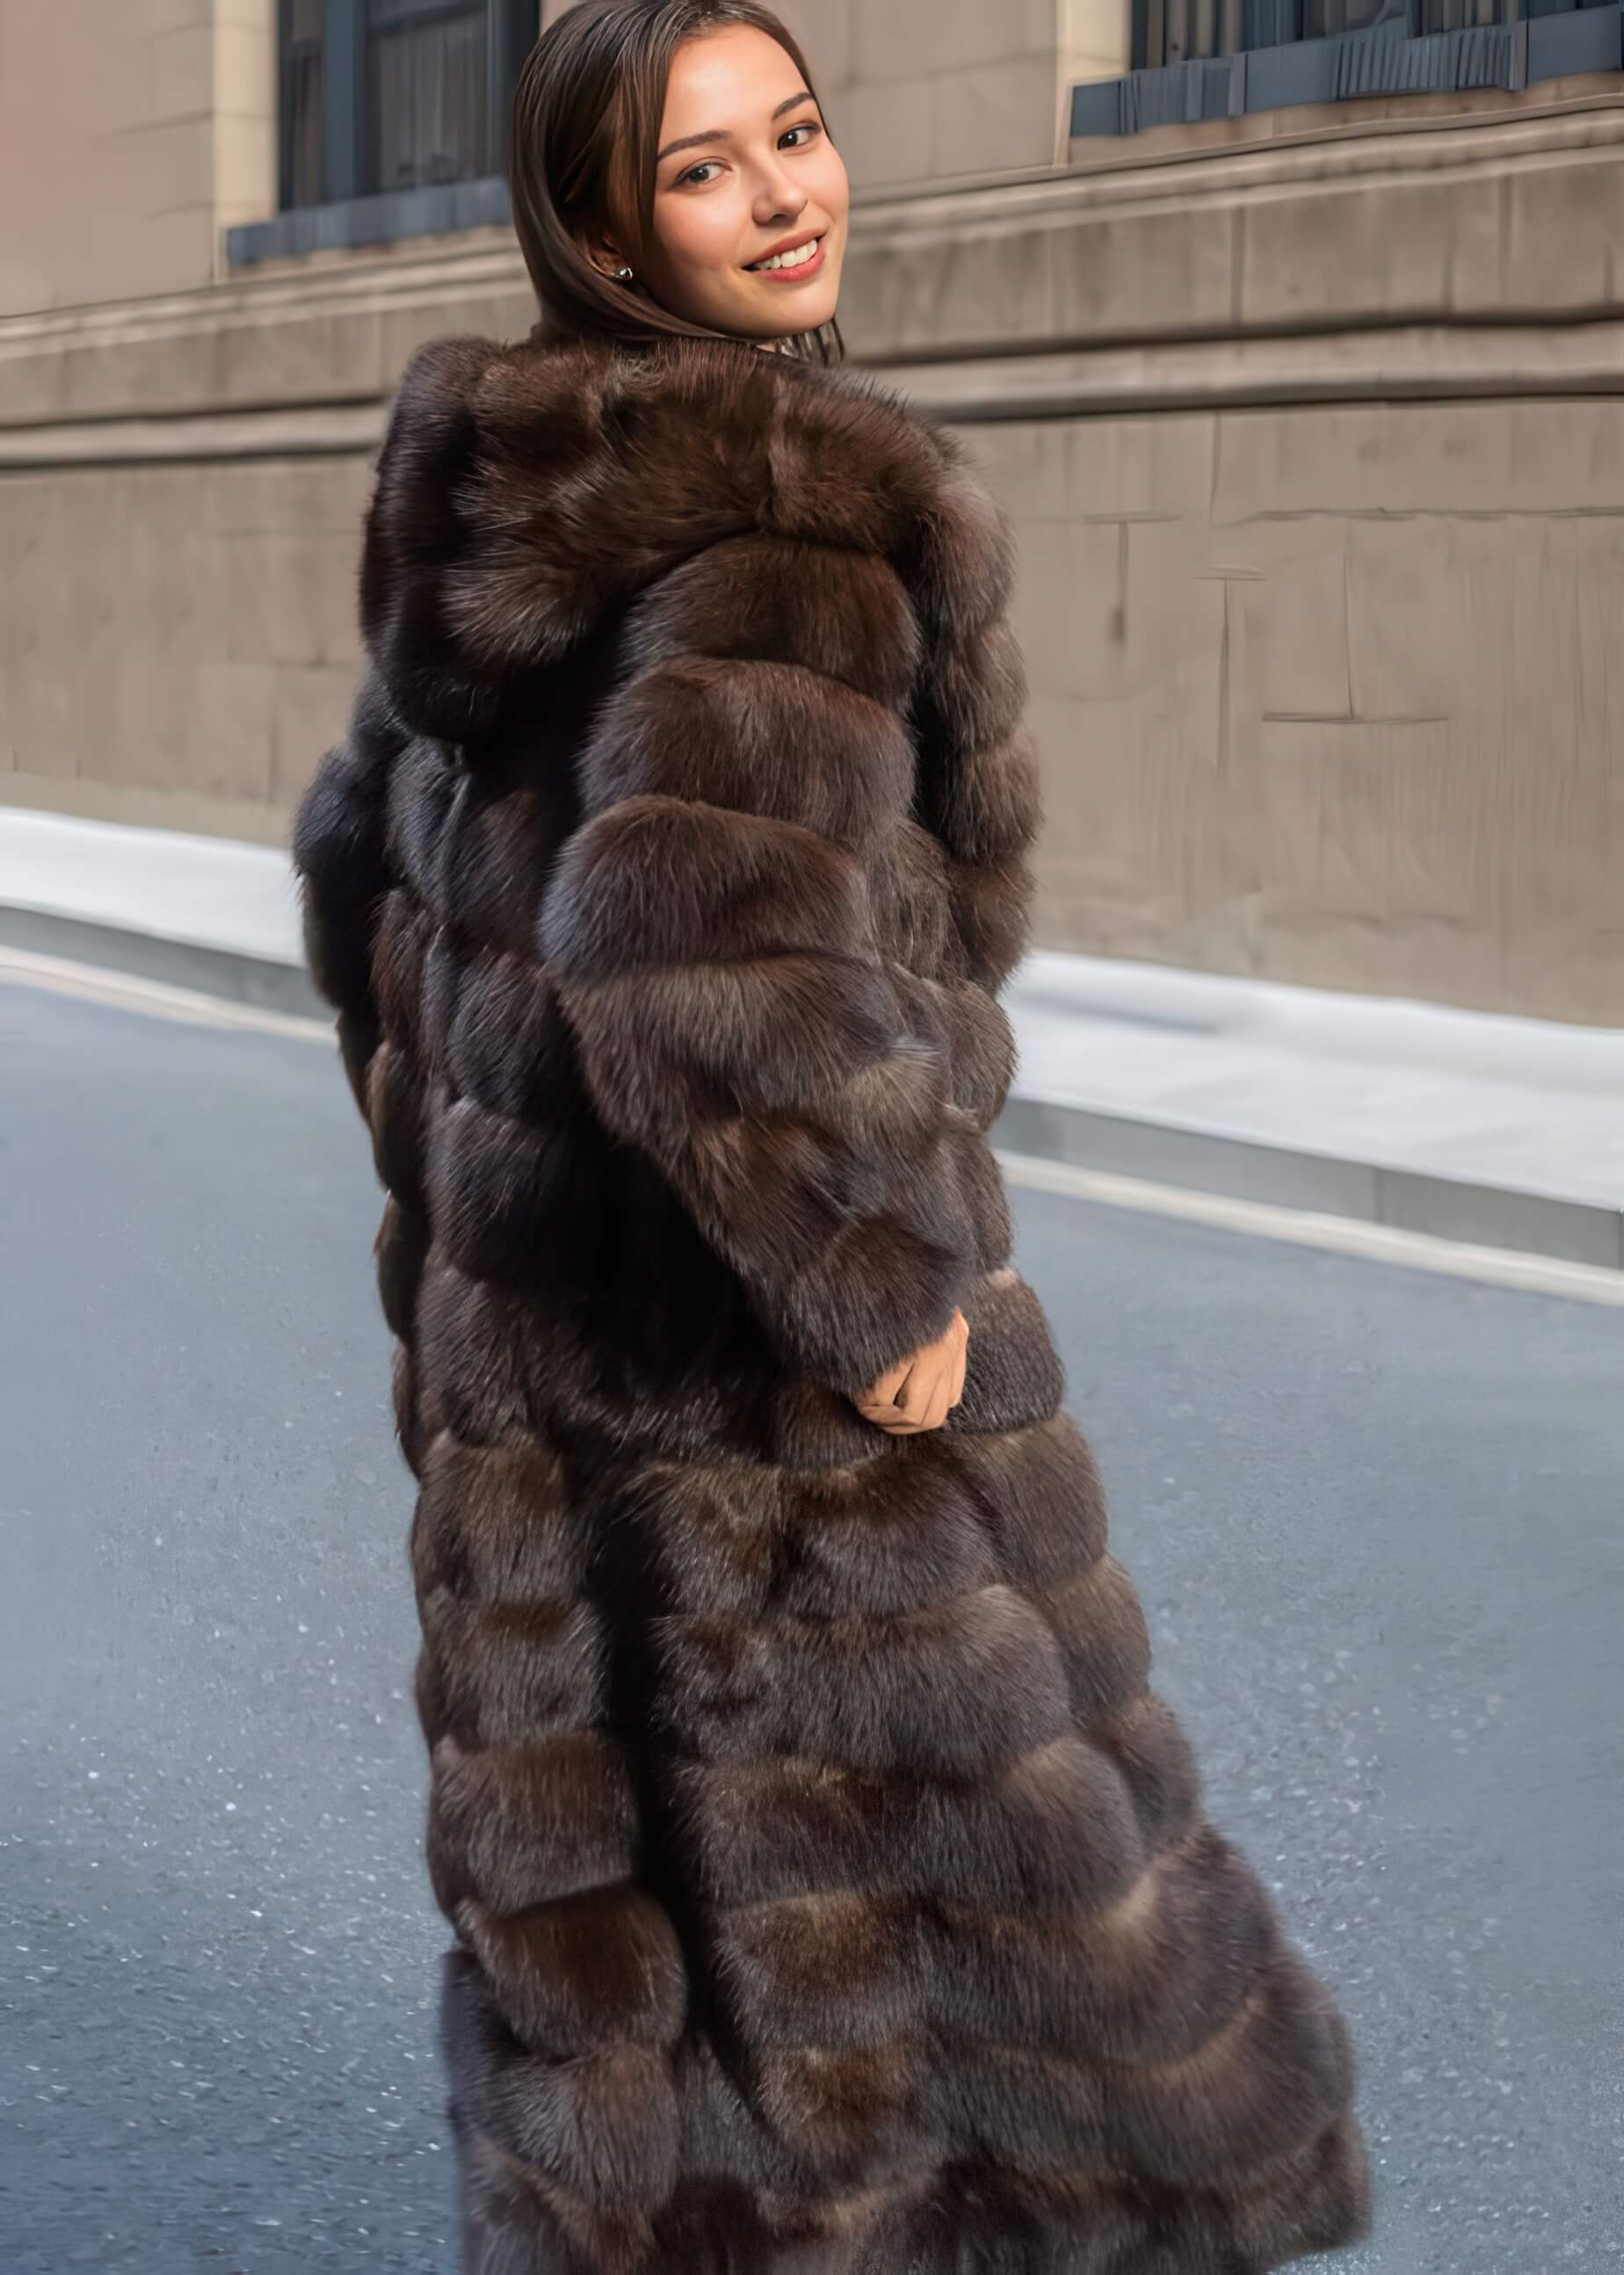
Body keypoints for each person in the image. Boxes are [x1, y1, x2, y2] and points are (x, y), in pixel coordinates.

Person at [293, 3, 1371, 2267]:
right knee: (978, 1988)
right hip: (771, 1390)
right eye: (706, 170)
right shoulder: (795, 524)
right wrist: (871, 1284)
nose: (789, 195)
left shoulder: (500, 516)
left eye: (797, 132)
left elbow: (356, 864)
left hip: (551, 1385)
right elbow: (689, 953)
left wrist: (475, 1187)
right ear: (602, 227)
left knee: (672, 1967)